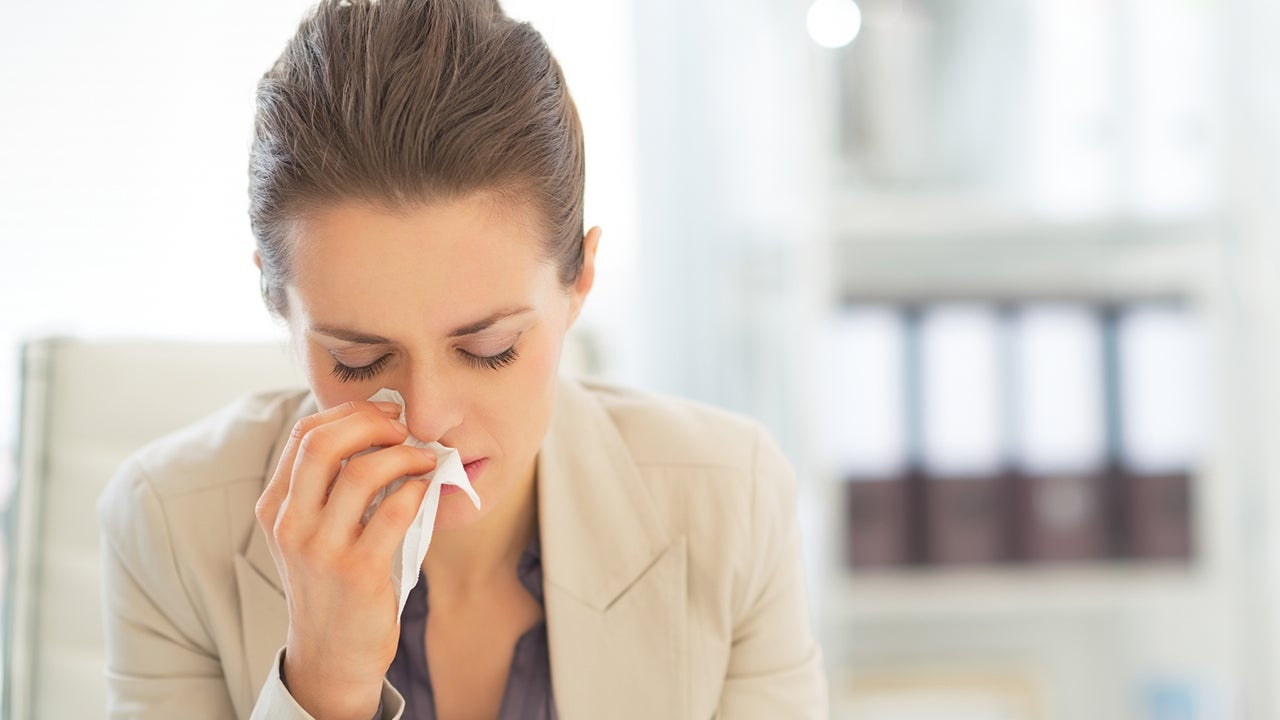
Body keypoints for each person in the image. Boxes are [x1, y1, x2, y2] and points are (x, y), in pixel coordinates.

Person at [97, 0, 827, 718]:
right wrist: (323, 686)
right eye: (358, 359)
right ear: (280, 305)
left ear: (580, 280)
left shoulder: (732, 502)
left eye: (490, 350)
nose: (428, 417)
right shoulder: (166, 527)